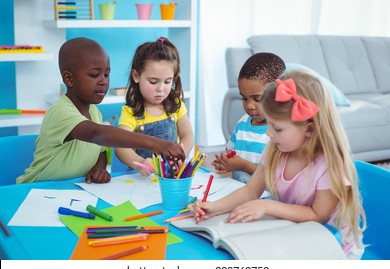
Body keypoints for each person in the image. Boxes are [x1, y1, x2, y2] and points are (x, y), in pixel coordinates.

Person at [189, 69, 366, 259]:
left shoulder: (329, 164)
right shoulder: (276, 150)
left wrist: (267, 207)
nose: (268, 133)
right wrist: (216, 206)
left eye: (277, 128)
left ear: (309, 128)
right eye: (269, 124)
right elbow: (250, 191)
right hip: (294, 234)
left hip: (332, 246)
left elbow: (317, 215)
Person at [17, 37, 185, 184]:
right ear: (69, 79)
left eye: (106, 75)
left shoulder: (94, 113)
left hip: (73, 189)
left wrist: (99, 168)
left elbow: (100, 149)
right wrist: (156, 144)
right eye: (94, 75)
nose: (103, 82)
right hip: (35, 189)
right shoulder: (61, 111)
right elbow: (97, 135)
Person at [115, 37, 194, 177]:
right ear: (136, 76)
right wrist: (140, 163)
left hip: (169, 177)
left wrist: (181, 154)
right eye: (153, 82)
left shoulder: (176, 105)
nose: (161, 88)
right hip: (141, 178)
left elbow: (188, 135)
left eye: (168, 81)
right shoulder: (131, 112)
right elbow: (120, 147)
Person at [212, 53, 285, 183]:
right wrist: (225, 163)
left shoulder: (280, 131)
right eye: (244, 98)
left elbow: (275, 177)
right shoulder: (242, 123)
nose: (250, 106)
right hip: (238, 193)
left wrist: (243, 165)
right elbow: (232, 153)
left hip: (266, 199)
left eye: (257, 99)